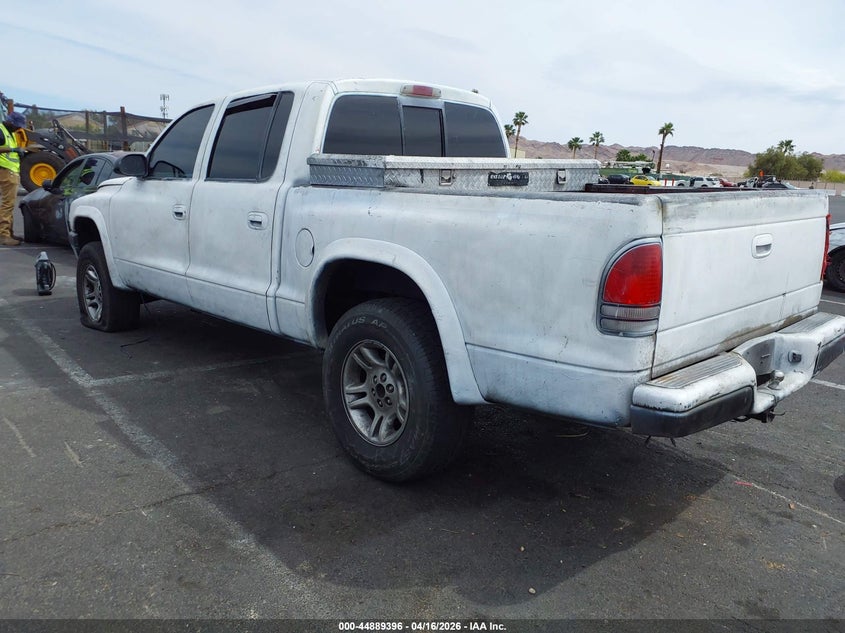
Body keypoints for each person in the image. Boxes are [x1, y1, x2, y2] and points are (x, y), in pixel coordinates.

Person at [0, 111, 28, 246]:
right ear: (10, 122)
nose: (18, 128)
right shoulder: (1, 131)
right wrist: (13, 150)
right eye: (17, 125)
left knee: (9, 204)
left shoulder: (8, 132)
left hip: (10, 170)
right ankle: (4, 235)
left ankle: (9, 233)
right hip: (6, 171)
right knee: (7, 204)